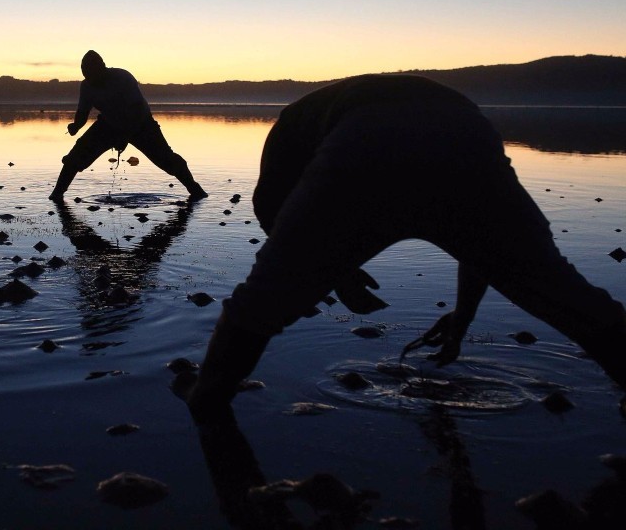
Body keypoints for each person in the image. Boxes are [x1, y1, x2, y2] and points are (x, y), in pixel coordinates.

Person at [185, 74, 626, 420]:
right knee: (561, 293)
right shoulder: (330, 115)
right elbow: (483, 244)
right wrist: (461, 321)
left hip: (365, 136)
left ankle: (207, 403)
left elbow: (270, 207)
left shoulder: (295, 121)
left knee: (260, 305)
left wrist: (332, 272)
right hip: (465, 131)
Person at [50, 50, 207, 200]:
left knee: (166, 159)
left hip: (141, 124)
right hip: (108, 123)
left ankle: (194, 189)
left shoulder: (122, 77)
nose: (88, 76)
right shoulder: (86, 86)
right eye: (85, 72)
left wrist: (124, 136)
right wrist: (76, 126)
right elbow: (83, 112)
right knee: (76, 156)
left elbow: (137, 109)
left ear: (102, 66)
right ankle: (57, 194)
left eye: (91, 71)